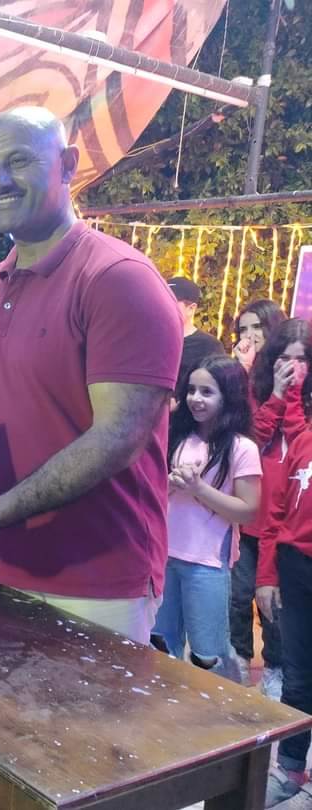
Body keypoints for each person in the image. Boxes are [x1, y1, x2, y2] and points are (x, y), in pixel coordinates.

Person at [0, 107, 182, 805]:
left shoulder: (120, 279)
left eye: (18, 160)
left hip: (96, 584)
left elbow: (116, 438)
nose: (0, 180)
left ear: (68, 165)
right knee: (0, 770)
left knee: (80, 777)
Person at [150, 355, 260, 681]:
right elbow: (155, 495)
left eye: (207, 392)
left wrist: (199, 488)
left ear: (229, 395)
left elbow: (248, 510)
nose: (196, 399)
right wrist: (171, 484)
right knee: (160, 646)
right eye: (191, 390)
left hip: (207, 564)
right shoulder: (177, 437)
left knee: (208, 655)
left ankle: (221, 710)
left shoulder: (242, 448)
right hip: (163, 557)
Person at [254, 326, 311, 807]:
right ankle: (290, 767)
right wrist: (268, 577)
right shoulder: (302, 437)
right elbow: (276, 513)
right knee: (297, 679)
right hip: (295, 569)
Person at [229, 299, 287, 692]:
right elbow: (246, 436)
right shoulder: (242, 379)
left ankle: (274, 672)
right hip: (245, 508)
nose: (248, 337)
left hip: (279, 511)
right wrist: (243, 374)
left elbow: (261, 435)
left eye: (256, 328)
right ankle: (236, 664)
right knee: (237, 596)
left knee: (272, 603)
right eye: (243, 330)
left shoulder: (290, 378)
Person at [169, 276, 225, 410]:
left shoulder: (209, 345)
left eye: (172, 302)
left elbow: (218, 387)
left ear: (191, 308)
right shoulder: (151, 340)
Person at [233, 299, 285, 372]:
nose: (248, 335)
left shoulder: (285, 363)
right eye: (243, 330)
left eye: (257, 327)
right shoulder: (235, 365)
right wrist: (244, 365)